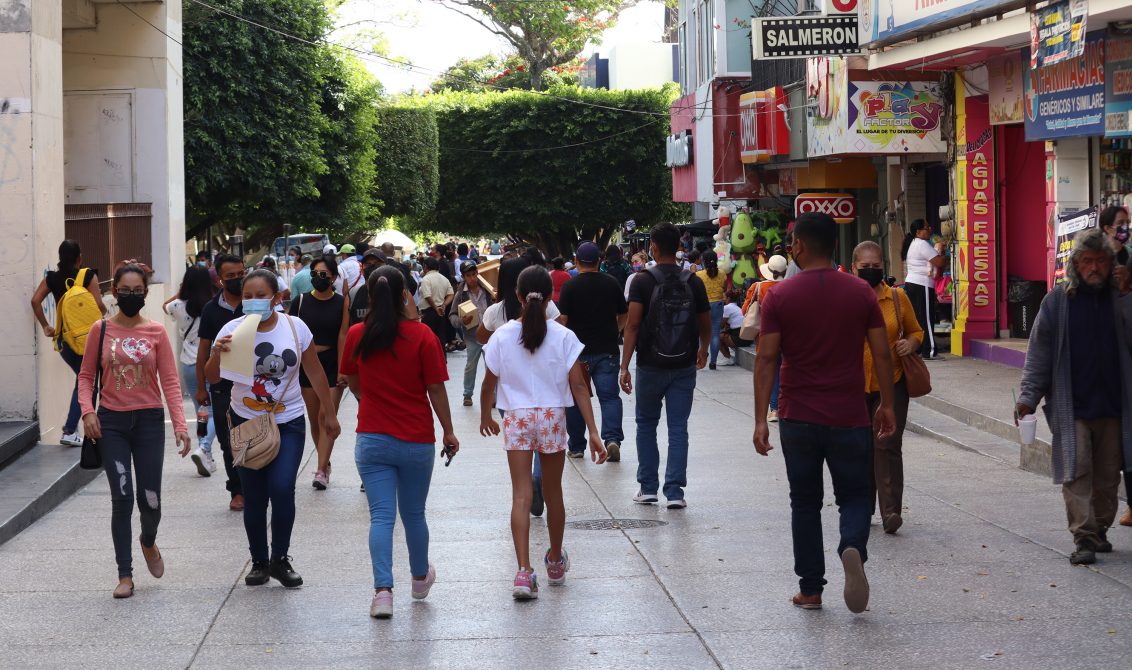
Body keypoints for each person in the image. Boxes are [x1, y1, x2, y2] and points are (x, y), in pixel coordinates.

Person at [753, 212, 896, 614]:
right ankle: (852, 544)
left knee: (805, 502)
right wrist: (886, 402)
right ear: (835, 247)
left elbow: (766, 359)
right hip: (849, 413)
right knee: (853, 494)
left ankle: (811, 589)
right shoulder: (861, 294)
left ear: (797, 246)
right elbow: (881, 352)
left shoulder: (778, 296)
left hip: (798, 415)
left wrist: (761, 418)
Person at [206, 269, 341, 588]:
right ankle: (259, 561)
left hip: (289, 419)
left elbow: (316, 372)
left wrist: (329, 414)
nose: (253, 302)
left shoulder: (295, 328)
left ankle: (280, 558)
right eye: (248, 296)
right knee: (254, 496)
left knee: (282, 488)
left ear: (278, 298)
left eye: (261, 296)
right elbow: (213, 378)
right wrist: (216, 353)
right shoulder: (232, 330)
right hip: (246, 419)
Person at [480, 266, 607, 600]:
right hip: (552, 416)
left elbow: (488, 383)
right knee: (553, 493)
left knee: (521, 495)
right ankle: (554, 560)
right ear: (552, 297)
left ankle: (523, 573)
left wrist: (485, 415)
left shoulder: (502, 336)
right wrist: (593, 431)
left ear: (518, 296)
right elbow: (579, 385)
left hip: (518, 418)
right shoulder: (564, 336)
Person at [339, 266, 457, 618]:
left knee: (381, 517)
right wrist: (448, 430)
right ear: (407, 295)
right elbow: (436, 388)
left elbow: (351, 379)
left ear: (371, 298)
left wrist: (370, 401)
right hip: (416, 438)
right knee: (414, 514)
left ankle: (383, 593)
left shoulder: (359, 334)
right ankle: (420, 579)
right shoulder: (423, 337)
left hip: (373, 438)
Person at [1018, 228, 1132, 565]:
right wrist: (1028, 397)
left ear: (1111, 264)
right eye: (1087, 261)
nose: (1094, 268)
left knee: (1109, 477)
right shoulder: (1057, 302)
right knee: (1077, 470)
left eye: (1100, 261)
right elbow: (1038, 354)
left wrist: (1127, 295)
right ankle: (1084, 536)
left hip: (1115, 405)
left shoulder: (1120, 297)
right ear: (1075, 265)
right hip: (1074, 407)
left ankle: (1099, 530)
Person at [78, 263, 192, 598]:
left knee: (150, 500)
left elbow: (170, 381)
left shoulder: (156, 331)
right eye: (124, 291)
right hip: (112, 422)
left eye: (137, 291)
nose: (130, 296)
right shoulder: (101, 330)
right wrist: (87, 412)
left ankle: (148, 540)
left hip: (148, 423)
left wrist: (181, 426)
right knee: (122, 498)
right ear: (115, 293)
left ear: (145, 292)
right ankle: (125, 574)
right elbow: (85, 377)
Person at [620, 223, 711, 509]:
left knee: (646, 424)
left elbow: (632, 325)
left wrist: (624, 366)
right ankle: (675, 492)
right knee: (678, 428)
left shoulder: (642, 281)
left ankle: (648, 488)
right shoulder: (693, 281)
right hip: (683, 364)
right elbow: (706, 322)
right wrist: (704, 349)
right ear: (679, 247)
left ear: (654, 248)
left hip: (650, 364)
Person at [477, 257, 566, 517]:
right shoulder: (547, 309)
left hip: (511, 395)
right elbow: (560, 332)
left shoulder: (496, 312)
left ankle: (526, 485)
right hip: (547, 394)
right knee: (544, 445)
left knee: (522, 443)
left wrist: (504, 341)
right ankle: (539, 478)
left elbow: (480, 336)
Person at [852, 241, 923, 535]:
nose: (871, 271)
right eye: (865, 267)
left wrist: (912, 343)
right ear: (853, 267)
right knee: (861, 449)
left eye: (876, 266)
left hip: (891, 383)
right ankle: (862, 507)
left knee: (887, 445)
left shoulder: (897, 298)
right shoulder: (846, 298)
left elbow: (917, 330)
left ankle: (891, 510)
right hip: (853, 385)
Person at [30, 240, 108, 446]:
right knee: (87, 383)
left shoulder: (52, 278)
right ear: (79, 258)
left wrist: (47, 326)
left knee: (85, 382)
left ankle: (78, 429)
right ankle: (71, 430)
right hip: (87, 340)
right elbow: (99, 306)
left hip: (65, 342)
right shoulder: (87, 276)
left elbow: (35, 301)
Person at [558, 242, 629, 461]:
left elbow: (563, 320)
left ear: (577, 261)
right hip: (607, 350)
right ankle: (612, 439)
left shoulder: (570, 287)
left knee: (577, 397)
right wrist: (614, 330)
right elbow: (624, 314)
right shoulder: (611, 283)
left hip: (576, 353)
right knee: (609, 397)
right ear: (599, 261)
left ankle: (577, 445)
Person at [289, 255, 350, 490]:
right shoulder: (300, 301)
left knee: (327, 416)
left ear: (333, 277)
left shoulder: (341, 302)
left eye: (324, 274)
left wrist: (343, 368)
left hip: (331, 361)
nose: (319, 278)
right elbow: (291, 333)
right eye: (314, 274)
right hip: (306, 363)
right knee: (315, 418)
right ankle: (324, 462)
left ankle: (321, 469)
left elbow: (343, 334)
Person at [196, 253, 247, 511]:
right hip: (221, 384)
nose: (238, 280)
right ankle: (236, 490)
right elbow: (203, 349)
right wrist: (200, 386)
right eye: (231, 276)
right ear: (220, 279)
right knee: (228, 440)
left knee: (256, 435)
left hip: (252, 382)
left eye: (241, 274)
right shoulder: (211, 309)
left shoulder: (256, 304)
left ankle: (256, 486)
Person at [163, 266, 218, 476]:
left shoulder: (177, 306)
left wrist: (181, 292)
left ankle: (207, 455)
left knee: (201, 412)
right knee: (213, 412)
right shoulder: (212, 306)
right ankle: (204, 448)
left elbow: (164, 305)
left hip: (188, 365)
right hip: (210, 362)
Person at [902, 219, 945, 359]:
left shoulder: (914, 243)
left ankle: (919, 348)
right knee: (927, 318)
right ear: (918, 232)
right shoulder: (922, 244)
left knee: (919, 319)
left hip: (912, 284)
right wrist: (942, 251)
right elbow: (939, 261)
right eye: (926, 228)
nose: (929, 229)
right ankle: (930, 351)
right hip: (922, 285)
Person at [453, 262, 492, 407]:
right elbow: (452, 316)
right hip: (472, 336)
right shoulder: (461, 294)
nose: (472, 278)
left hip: (489, 335)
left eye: (474, 274)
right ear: (463, 277)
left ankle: (493, 396)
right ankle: (467, 394)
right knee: (471, 365)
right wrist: (461, 321)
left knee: (491, 366)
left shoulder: (488, 289)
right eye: (468, 276)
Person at [696, 251, 728, 370]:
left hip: (703, 306)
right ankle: (713, 362)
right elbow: (724, 288)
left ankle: (701, 358)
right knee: (715, 333)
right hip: (718, 304)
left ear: (703, 261)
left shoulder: (699, 275)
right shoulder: (722, 273)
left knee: (701, 333)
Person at [418, 257, 454, 348]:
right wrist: (444, 305)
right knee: (441, 337)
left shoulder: (426, 279)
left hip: (429, 312)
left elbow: (427, 296)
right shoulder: (444, 279)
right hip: (441, 311)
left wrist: (436, 308)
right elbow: (451, 294)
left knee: (428, 339)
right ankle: (442, 359)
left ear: (425, 267)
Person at [717, 290, 748, 364]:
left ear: (728, 298)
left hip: (739, 337)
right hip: (746, 338)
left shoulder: (727, 308)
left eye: (724, 297)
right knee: (724, 333)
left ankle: (729, 358)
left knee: (717, 338)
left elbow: (721, 325)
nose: (723, 299)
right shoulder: (737, 307)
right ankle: (729, 357)